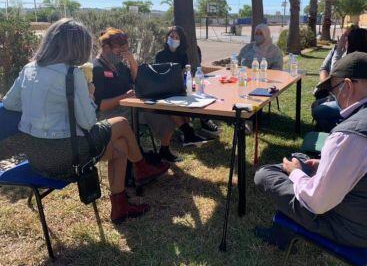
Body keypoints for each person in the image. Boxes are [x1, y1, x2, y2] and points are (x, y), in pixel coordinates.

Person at [2, 19, 169, 224]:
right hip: (67, 158)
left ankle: (121, 205)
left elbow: (10, 104)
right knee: (122, 124)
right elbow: (89, 122)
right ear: (78, 47)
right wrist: (90, 95)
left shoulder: (29, 69)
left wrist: (40, 107)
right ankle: (141, 168)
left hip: (36, 155)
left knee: (120, 147)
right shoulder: (73, 75)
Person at [254, 52, 367, 248]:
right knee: (300, 157)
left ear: (348, 86)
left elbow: (316, 203)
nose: (333, 98)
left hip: (346, 227)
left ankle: (281, 235)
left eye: (333, 91)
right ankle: (282, 230)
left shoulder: (351, 136)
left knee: (266, 174)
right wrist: (323, 165)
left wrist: (296, 173)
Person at [93, 28, 212, 163]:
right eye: (119, 51)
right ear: (106, 48)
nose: (121, 55)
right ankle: (146, 158)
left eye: (125, 51)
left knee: (164, 112)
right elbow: (101, 106)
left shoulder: (118, 64)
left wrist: (131, 60)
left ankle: (165, 150)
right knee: (159, 113)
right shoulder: (97, 68)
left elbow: (136, 79)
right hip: (113, 112)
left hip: (131, 104)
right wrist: (123, 97)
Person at [312, 27, 367, 131]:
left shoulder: (355, 60)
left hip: (355, 103)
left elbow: (335, 73)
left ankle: (336, 131)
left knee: (317, 109)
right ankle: (330, 128)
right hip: (365, 101)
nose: (344, 41)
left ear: (353, 42)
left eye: (346, 39)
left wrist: (338, 51)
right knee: (318, 104)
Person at [155, 26, 220, 137]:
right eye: (171, 36)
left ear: (181, 41)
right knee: (174, 105)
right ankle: (188, 132)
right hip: (165, 90)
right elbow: (158, 75)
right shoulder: (160, 55)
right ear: (167, 38)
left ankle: (203, 122)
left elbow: (185, 72)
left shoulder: (182, 55)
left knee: (197, 96)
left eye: (176, 37)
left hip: (180, 87)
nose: (173, 39)